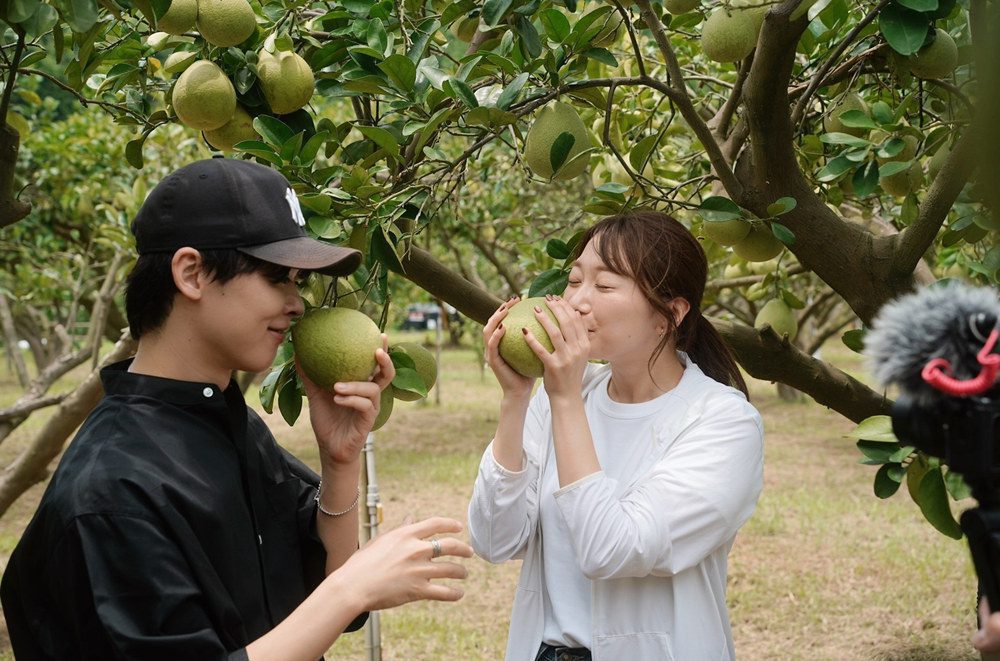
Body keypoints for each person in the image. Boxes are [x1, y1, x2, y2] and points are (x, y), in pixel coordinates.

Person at [0, 157, 472, 660]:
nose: (297, 303)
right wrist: (350, 590)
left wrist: (340, 462)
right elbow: (337, 592)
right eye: (277, 278)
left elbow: (322, 579)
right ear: (192, 274)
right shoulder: (113, 492)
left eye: (298, 281)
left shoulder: (228, 422)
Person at [468, 210, 765, 660]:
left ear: (670, 314)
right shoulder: (558, 398)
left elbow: (610, 549)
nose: (576, 302)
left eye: (604, 286)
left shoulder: (723, 423)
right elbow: (494, 541)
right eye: (574, 280)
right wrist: (517, 398)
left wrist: (565, 398)